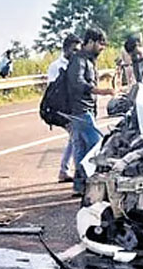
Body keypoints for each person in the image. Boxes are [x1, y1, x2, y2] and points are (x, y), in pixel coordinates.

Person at [65, 28, 115, 196]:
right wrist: (101, 91)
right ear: (91, 42)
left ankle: (80, 187)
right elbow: (77, 83)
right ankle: (98, 186)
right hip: (81, 111)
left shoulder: (87, 60)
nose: (102, 48)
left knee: (81, 150)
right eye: (101, 44)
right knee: (97, 147)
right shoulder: (79, 60)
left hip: (81, 111)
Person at [47, 33, 81, 183]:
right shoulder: (56, 66)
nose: (76, 53)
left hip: (73, 108)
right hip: (62, 110)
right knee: (76, 137)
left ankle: (65, 170)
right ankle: (74, 172)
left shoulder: (75, 64)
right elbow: (54, 91)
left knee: (74, 138)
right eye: (74, 50)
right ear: (65, 49)